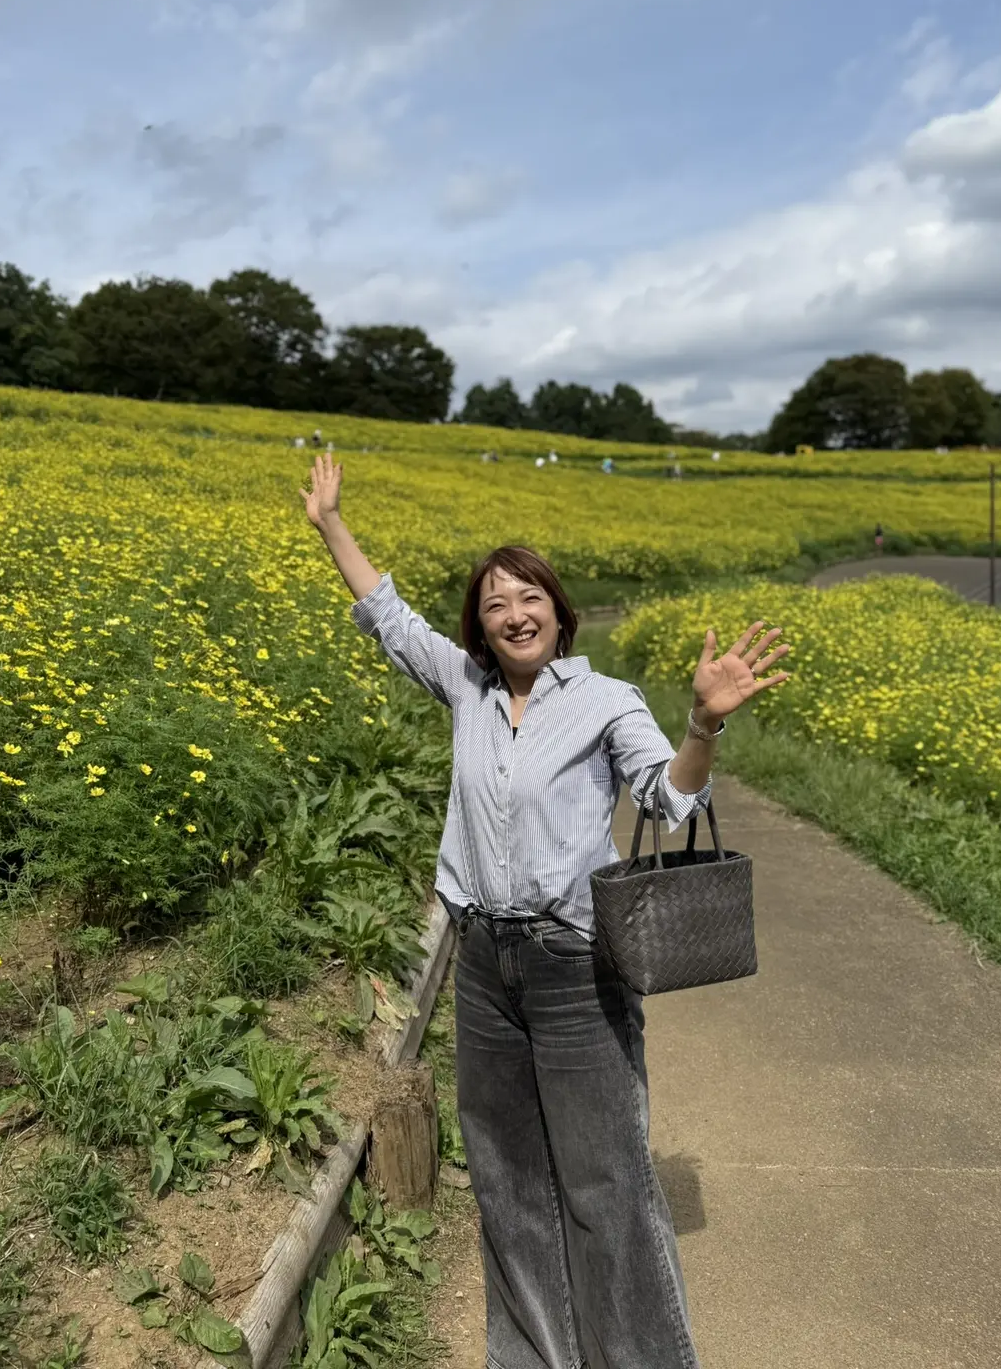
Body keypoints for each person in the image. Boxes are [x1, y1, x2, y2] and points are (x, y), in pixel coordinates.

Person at [300, 454, 790, 1369]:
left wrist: (704, 725)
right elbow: (388, 617)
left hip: (575, 966)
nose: (514, 612)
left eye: (529, 596)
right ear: (480, 629)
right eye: (494, 603)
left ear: (559, 614)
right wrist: (331, 523)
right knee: (509, 1178)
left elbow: (668, 799)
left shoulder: (604, 701)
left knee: (606, 1183)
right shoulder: (468, 691)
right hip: (484, 968)